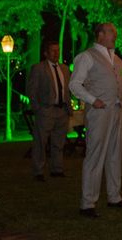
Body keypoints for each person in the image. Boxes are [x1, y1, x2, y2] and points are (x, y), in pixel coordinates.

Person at [69, 23, 122, 217]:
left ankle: (115, 197)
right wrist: (93, 100)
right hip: (98, 113)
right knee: (95, 156)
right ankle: (87, 203)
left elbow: (117, 84)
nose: (115, 36)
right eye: (113, 33)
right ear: (101, 35)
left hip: (116, 111)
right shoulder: (86, 57)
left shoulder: (117, 60)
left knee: (114, 155)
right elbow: (74, 84)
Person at [26, 40, 72, 181]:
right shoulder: (38, 68)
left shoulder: (64, 69)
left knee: (59, 143)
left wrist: (68, 107)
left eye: (57, 50)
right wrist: (38, 109)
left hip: (61, 111)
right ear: (46, 53)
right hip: (46, 111)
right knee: (41, 142)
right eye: (53, 50)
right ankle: (38, 171)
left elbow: (67, 90)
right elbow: (31, 91)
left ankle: (57, 169)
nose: (56, 53)